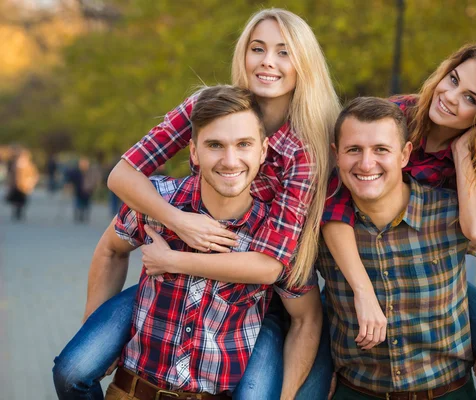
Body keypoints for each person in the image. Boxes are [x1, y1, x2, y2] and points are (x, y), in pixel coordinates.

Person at [53, 8, 339, 400]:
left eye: (284, 52)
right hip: (179, 278)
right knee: (75, 368)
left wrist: (173, 260)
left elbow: (271, 266)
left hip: (256, 293)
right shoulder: (208, 106)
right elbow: (122, 175)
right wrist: (180, 222)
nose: (267, 61)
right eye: (257, 48)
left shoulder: (303, 149)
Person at [321, 43, 476, 399]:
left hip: (434, 277)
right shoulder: (397, 118)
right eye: (452, 80)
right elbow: (334, 207)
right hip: (360, 264)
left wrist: (463, 155)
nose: (449, 97)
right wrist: (363, 291)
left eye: (470, 99)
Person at [89, 85, 321, 399]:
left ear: (263, 151)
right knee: (70, 371)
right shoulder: (158, 203)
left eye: (243, 145)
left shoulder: (274, 236)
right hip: (133, 390)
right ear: (194, 152)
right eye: (215, 145)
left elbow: (306, 316)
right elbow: (110, 250)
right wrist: (95, 337)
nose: (229, 160)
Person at [5, 146, 39, 221]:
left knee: (22, 201)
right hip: (15, 186)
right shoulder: (13, 164)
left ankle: (20, 212)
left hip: (24, 186)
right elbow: (10, 175)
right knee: (15, 200)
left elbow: (34, 175)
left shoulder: (29, 165)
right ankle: (16, 212)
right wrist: (9, 184)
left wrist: (30, 183)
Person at [66, 157, 102, 223]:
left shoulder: (90, 172)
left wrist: (95, 186)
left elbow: (94, 180)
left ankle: (85, 216)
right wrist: (69, 186)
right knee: (78, 204)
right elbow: (71, 180)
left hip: (88, 191)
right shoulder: (76, 172)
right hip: (78, 191)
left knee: (86, 204)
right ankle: (79, 215)